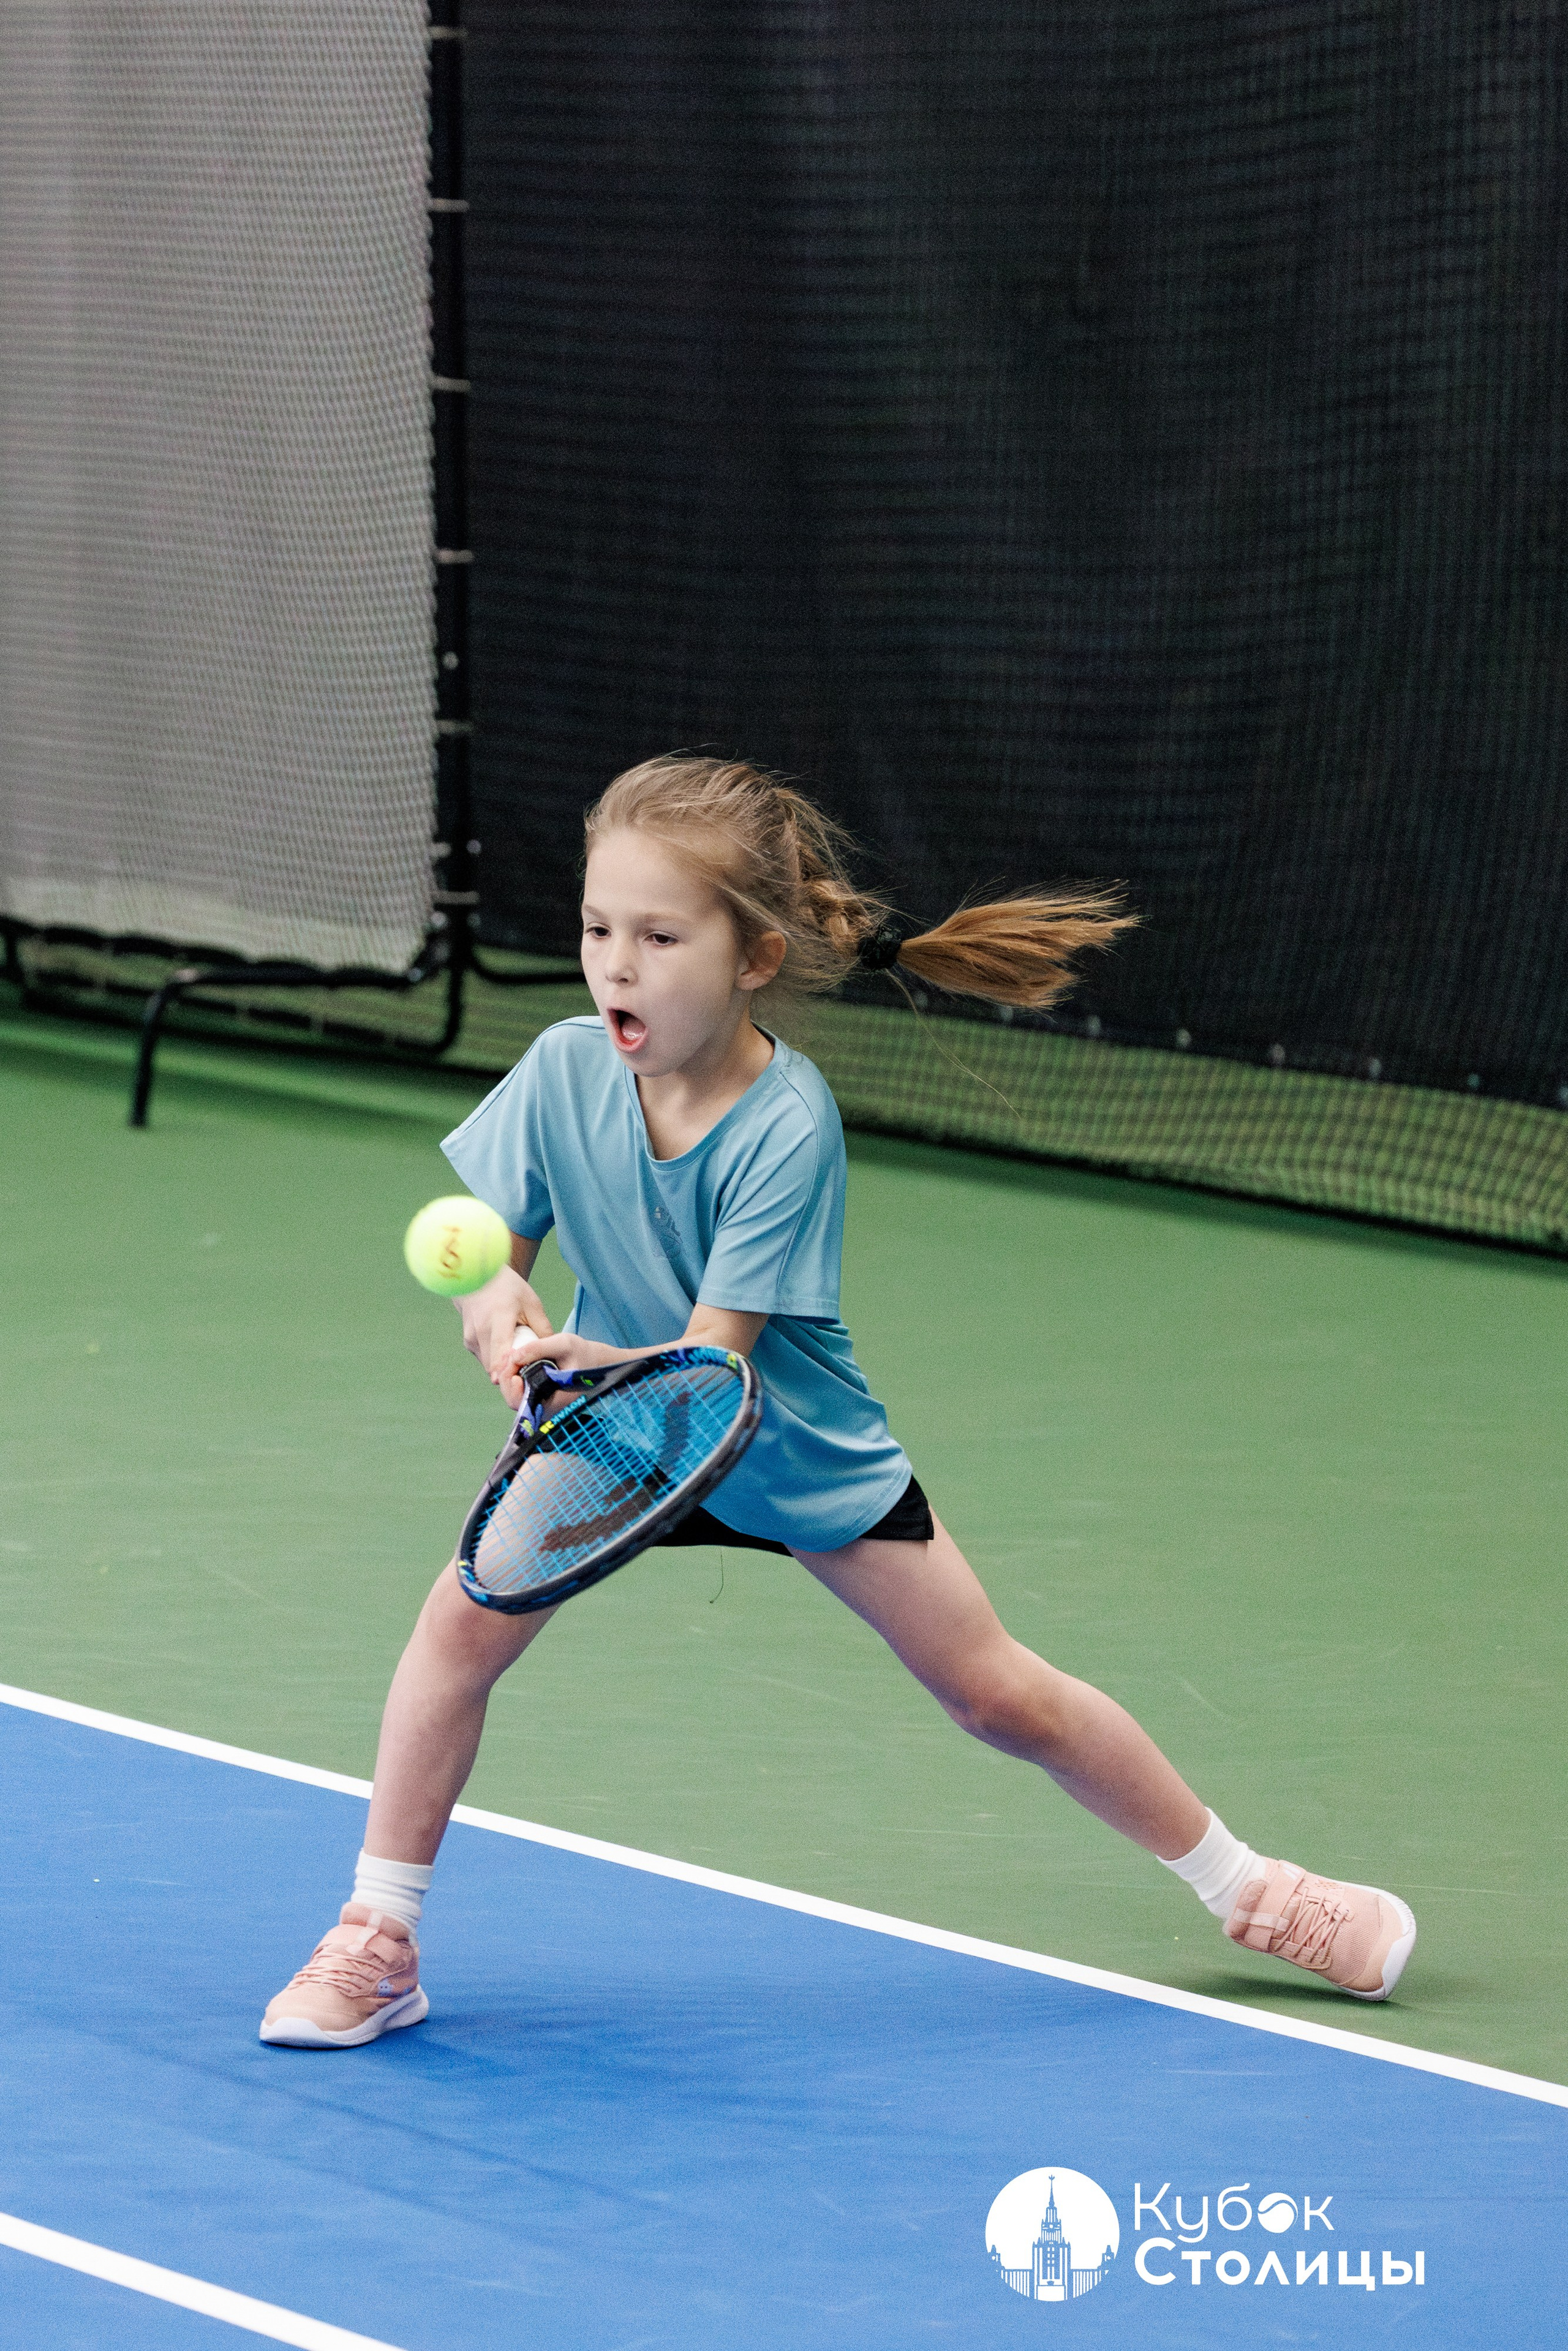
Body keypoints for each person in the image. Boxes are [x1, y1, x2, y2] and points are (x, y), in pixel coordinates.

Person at [260, 755, 1415, 2047]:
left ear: (753, 956)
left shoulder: (786, 1121)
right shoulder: (560, 1066)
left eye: (657, 936)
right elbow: (490, 1223)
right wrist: (491, 1296)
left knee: (996, 1695)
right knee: (456, 1632)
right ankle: (378, 1934)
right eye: (597, 930)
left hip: (780, 1436)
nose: (615, 967)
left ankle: (1251, 1887)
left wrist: (582, 1354)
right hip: (619, 1429)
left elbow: (715, 1358)